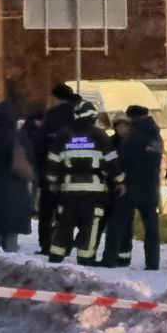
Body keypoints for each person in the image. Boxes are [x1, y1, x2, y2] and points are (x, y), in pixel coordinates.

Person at [45, 100, 124, 266]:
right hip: (93, 191)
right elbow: (112, 161)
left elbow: (52, 162)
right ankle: (85, 257)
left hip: (68, 190)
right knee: (90, 225)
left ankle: (56, 256)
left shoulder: (64, 134)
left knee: (64, 224)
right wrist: (120, 181)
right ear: (93, 117)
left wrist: (52, 182)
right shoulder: (99, 135)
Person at [101, 105, 163, 269]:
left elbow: (121, 161)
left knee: (116, 224)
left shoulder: (134, 138)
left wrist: (120, 182)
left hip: (131, 188)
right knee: (151, 228)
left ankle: (109, 259)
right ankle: (152, 263)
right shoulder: (156, 137)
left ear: (132, 118)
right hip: (151, 189)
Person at [0, 102, 34, 252]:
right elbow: (30, 158)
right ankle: (10, 252)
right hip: (16, 187)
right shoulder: (18, 136)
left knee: (0, 225)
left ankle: (0, 250)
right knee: (12, 226)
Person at [34, 83, 81, 255]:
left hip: (51, 171)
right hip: (73, 173)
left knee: (47, 211)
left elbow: (40, 144)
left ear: (54, 98)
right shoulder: (77, 116)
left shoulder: (52, 117)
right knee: (66, 212)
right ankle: (65, 244)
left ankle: (47, 244)